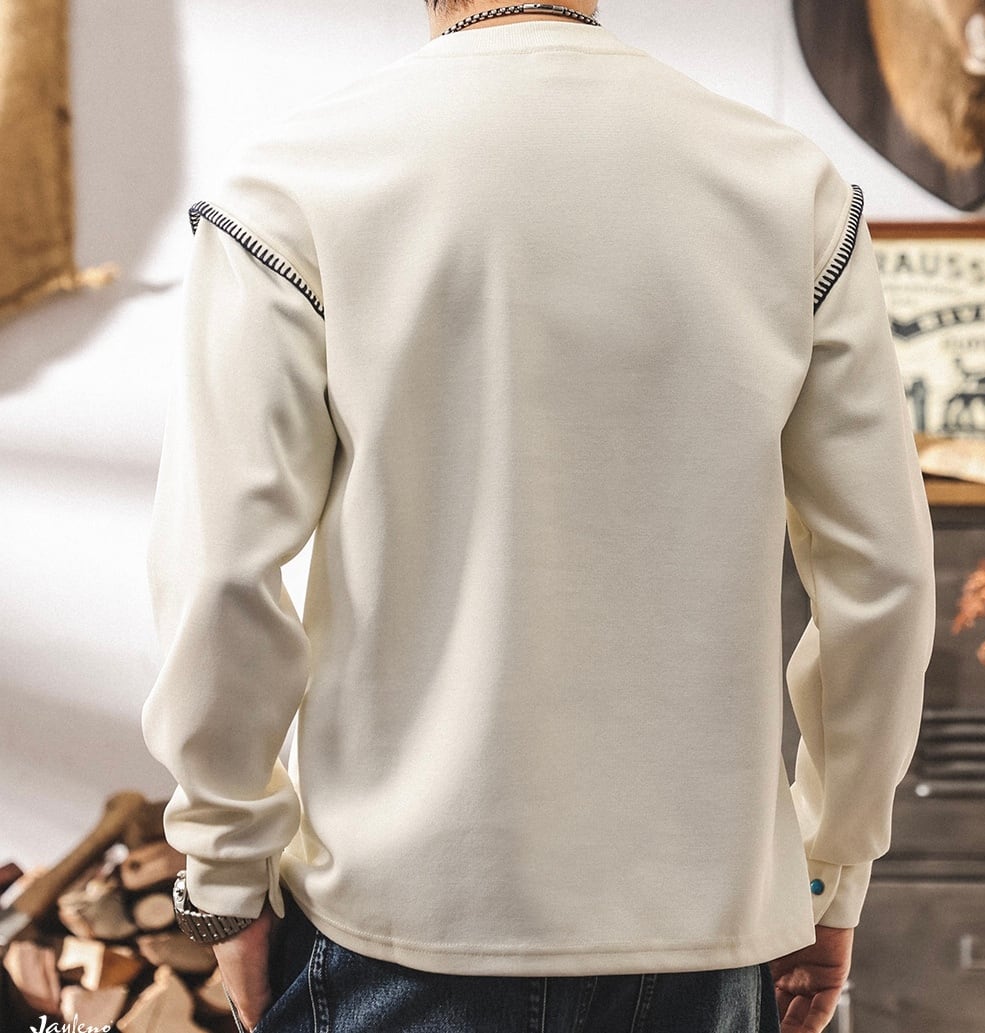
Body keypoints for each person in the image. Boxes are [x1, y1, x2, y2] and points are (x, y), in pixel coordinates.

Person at [141, 3, 936, 1032]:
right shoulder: (790, 191)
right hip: (702, 927)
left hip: (395, 920)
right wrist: (830, 869)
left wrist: (224, 876)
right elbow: (880, 580)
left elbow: (219, 573)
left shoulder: (295, 187)